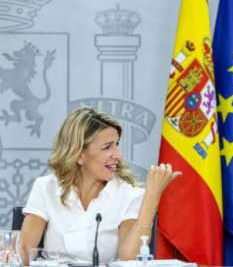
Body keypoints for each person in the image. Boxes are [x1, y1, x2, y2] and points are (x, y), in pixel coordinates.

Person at [19, 106, 181, 265]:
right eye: (107, 147)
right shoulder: (46, 187)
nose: (118, 155)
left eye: (117, 144)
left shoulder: (129, 195)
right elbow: (24, 253)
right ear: (79, 155)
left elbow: (130, 259)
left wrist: (152, 195)